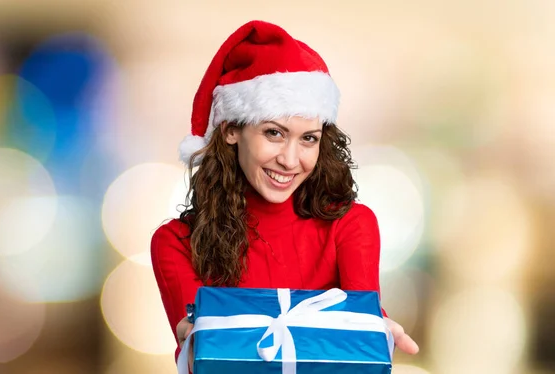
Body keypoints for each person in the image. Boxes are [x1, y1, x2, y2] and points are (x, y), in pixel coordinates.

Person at [151, 20, 419, 371]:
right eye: (274, 133)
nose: (291, 160)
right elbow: (205, 356)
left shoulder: (351, 225)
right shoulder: (176, 242)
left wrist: (374, 325)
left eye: (308, 138)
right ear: (231, 129)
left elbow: (359, 340)